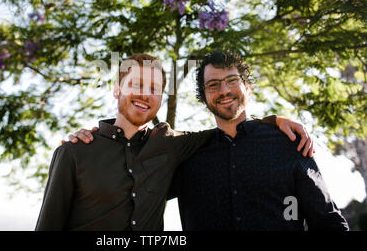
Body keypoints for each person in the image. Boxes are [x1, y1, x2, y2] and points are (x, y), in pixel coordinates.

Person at [35, 53, 313, 231]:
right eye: (137, 84)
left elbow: (230, 124)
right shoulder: (74, 151)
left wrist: (273, 120)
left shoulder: (173, 145)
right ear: (117, 89)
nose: (146, 95)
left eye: (155, 89)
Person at [167, 50, 349, 230]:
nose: (224, 91)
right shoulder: (187, 156)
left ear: (248, 87)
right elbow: (140, 190)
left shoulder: (288, 141)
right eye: (213, 85)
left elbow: (328, 220)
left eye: (232, 80)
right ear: (204, 98)